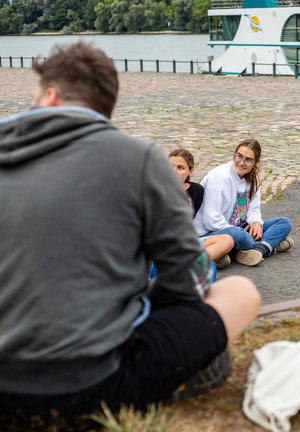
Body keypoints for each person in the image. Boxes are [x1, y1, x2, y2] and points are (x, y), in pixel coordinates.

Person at [0, 42, 260, 423]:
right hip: (97, 383)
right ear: (105, 107)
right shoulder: (140, 160)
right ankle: (182, 374)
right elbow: (189, 280)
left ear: (51, 95)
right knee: (239, 292)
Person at [194, 139, 293, 267]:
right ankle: (268, 246)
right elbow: (211, 220)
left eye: (248, 160)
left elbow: (253, 208)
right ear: (234, 155)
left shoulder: (253, 178)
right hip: (213, 232)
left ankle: (253, 251)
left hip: (242, 227)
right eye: (239, 156)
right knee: (238, 234)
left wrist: (256, 223)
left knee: (283, 223)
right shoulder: (219, 177)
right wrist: (240, 232)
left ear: (255, 162)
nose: (241, 162)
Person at [168, 148, 234, 268]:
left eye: (180, 168)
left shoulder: (197, 191)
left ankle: (193, 263)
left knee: (227, 240)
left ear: (190, 171)